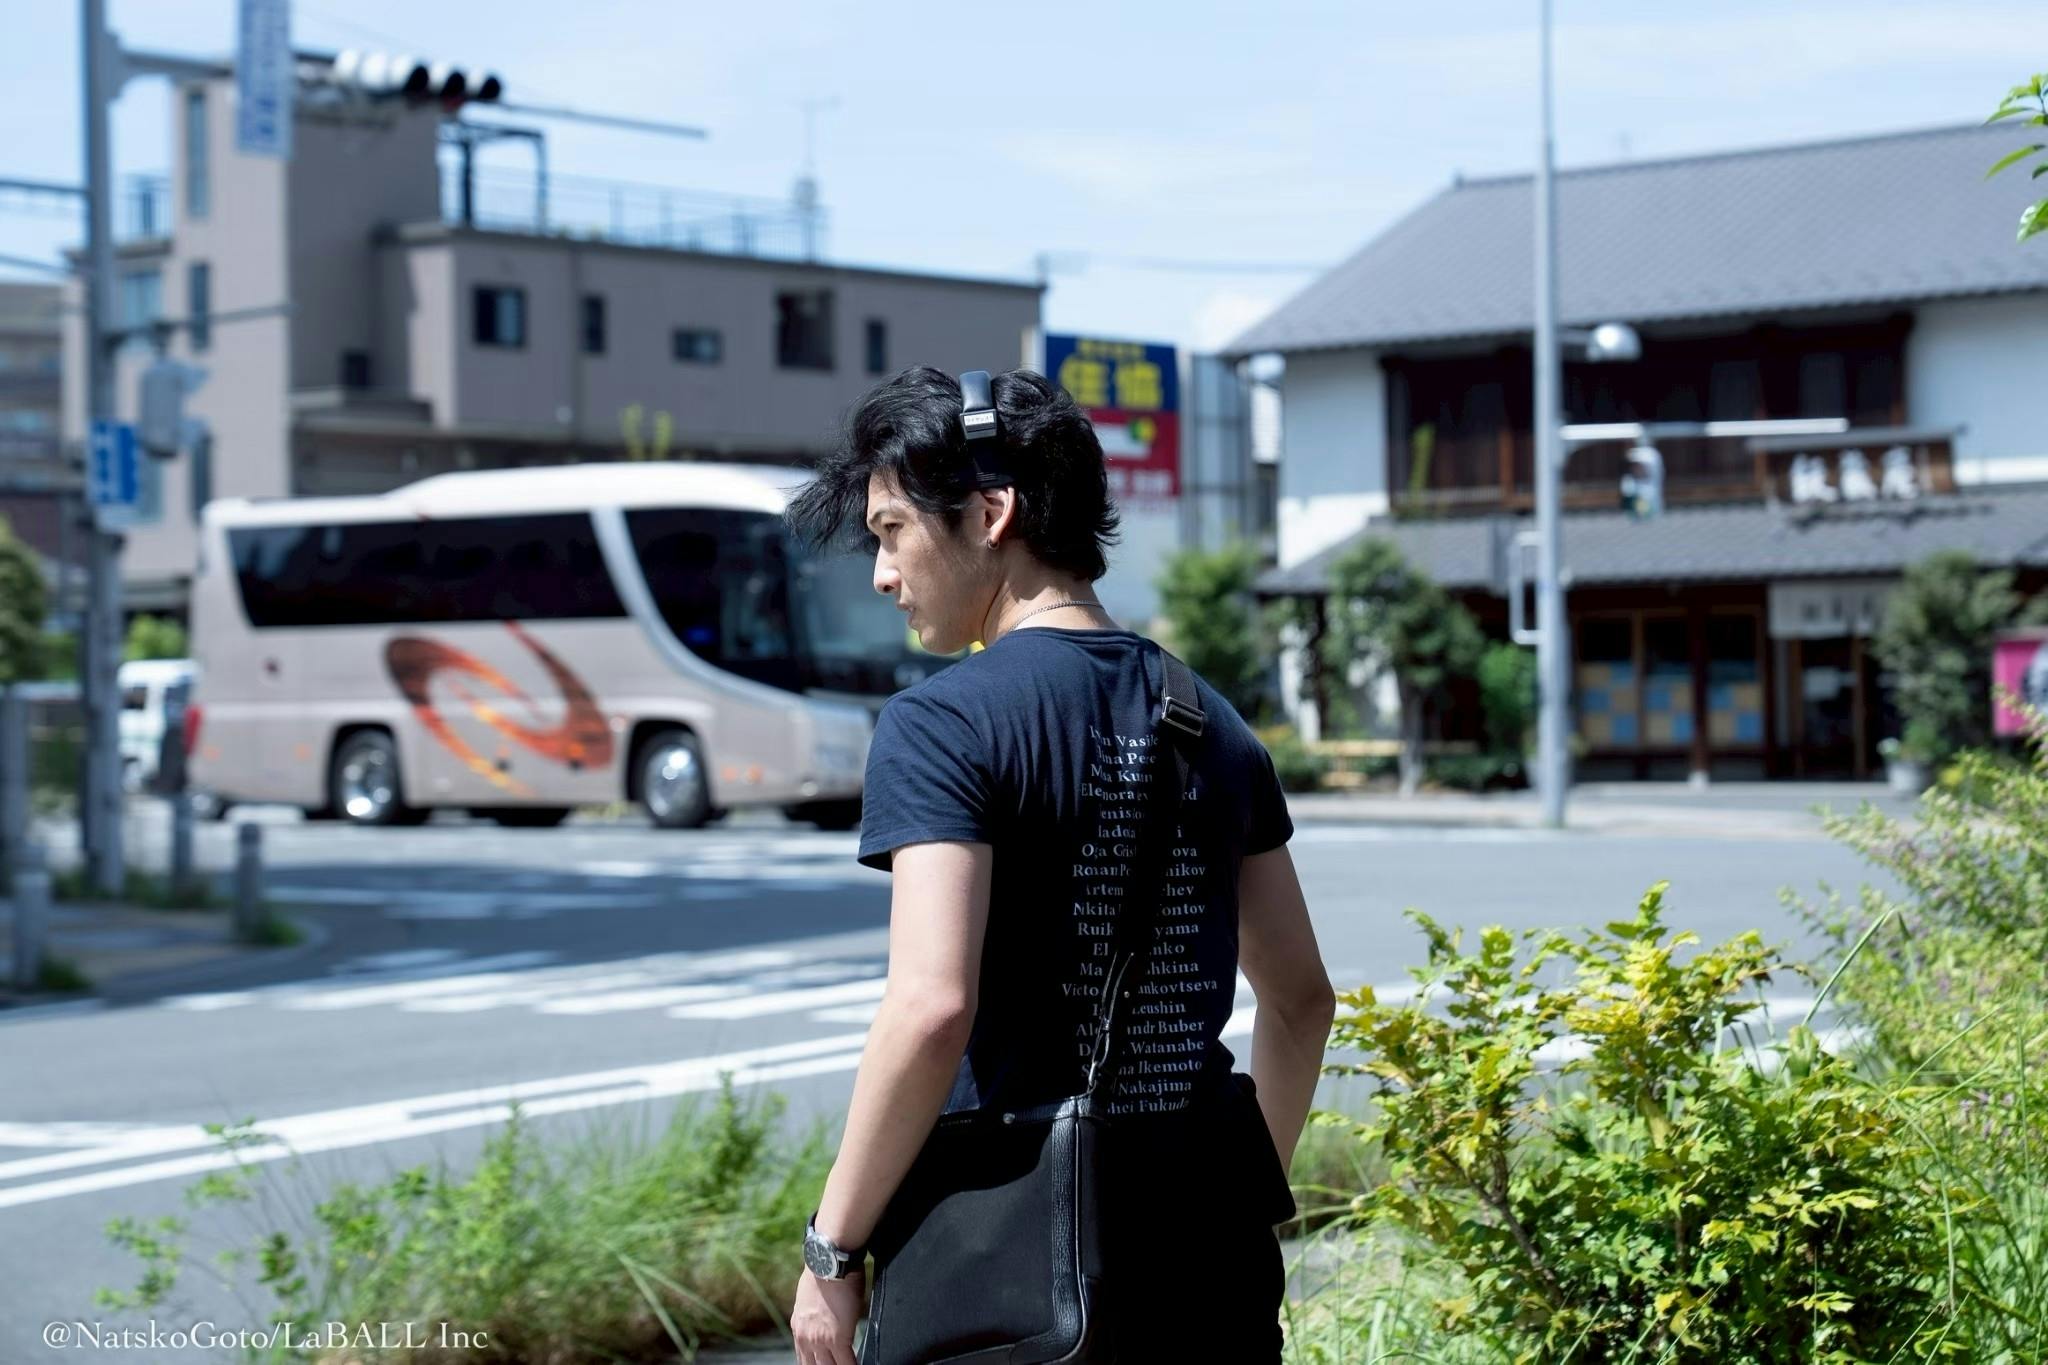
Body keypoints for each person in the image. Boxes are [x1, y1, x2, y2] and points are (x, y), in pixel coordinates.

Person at [781, 366, 1335, 1364]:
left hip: (1003, 1274)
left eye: (892, 530)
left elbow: (930, 1008)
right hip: (1210, 1262)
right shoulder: (1212, 723)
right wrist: (1246, 1192)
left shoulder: (941, 724)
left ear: (991, 512)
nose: (882, 573)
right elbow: (1300, 1000)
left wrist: (833, 1248)